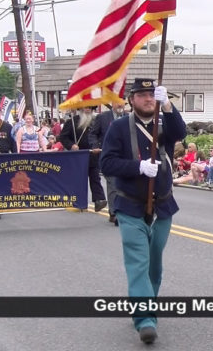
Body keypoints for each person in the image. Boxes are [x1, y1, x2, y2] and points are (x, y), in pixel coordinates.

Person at [99, 78, 187, 344]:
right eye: (142, 95)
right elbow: (107, 164)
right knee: (138, 263)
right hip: (131, 205)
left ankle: (146, 301)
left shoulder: (164, 123)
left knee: (154, 263)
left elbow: (180, 132)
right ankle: (145, 319)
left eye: (152, 94)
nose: (148, 99)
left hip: (162, 205)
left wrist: (168, 105)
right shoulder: (118, 127)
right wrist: (137, 167)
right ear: (132, 99)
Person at [61, 106, 107, 212]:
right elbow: (63, 137)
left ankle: (99, 200)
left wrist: (97, 146)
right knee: (78, 180)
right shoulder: (72, 122)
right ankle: (77, 201)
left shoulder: (97, 121)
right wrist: (71, 145)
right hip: (78, 156)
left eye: (90, 107)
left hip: (92, 154)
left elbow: (101, 136)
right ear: (81, 109)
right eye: (86, 107)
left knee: (95, 178)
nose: (88, 109)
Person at [90, 100, 126, 222]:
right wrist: (95, 145)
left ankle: (125, 210)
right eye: (117, 102)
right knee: (113, 183)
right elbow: (93, 134)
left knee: (124, 185)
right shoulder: (103, 117)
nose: (120, 104)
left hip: (125, 158)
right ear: (112, 103)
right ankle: (114, 212)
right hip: (108, 156)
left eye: (122, 102)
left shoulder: (130, 117)